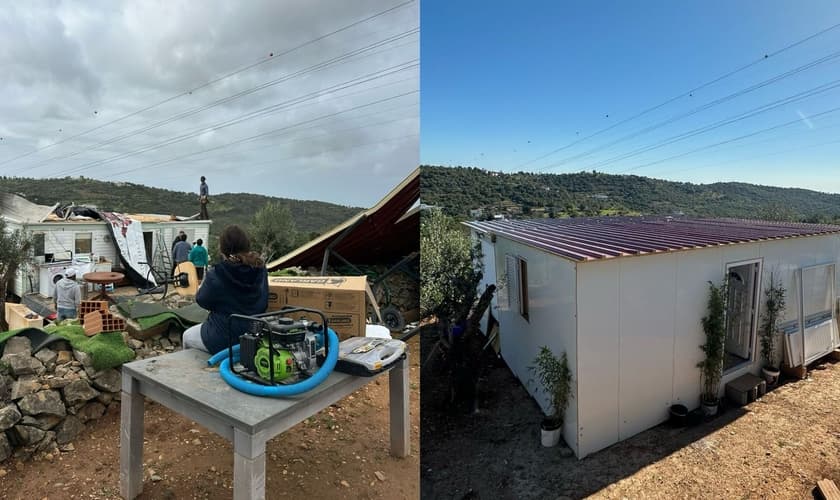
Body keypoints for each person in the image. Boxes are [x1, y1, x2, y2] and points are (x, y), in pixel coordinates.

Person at [182, 225, 268, 354]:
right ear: (247, 245)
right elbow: (264, 301)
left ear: (222, 249)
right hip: (254, 336)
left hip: (222, 338)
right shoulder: (260, 269)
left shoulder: (217, 273)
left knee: (187, 336)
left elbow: (202, 300)